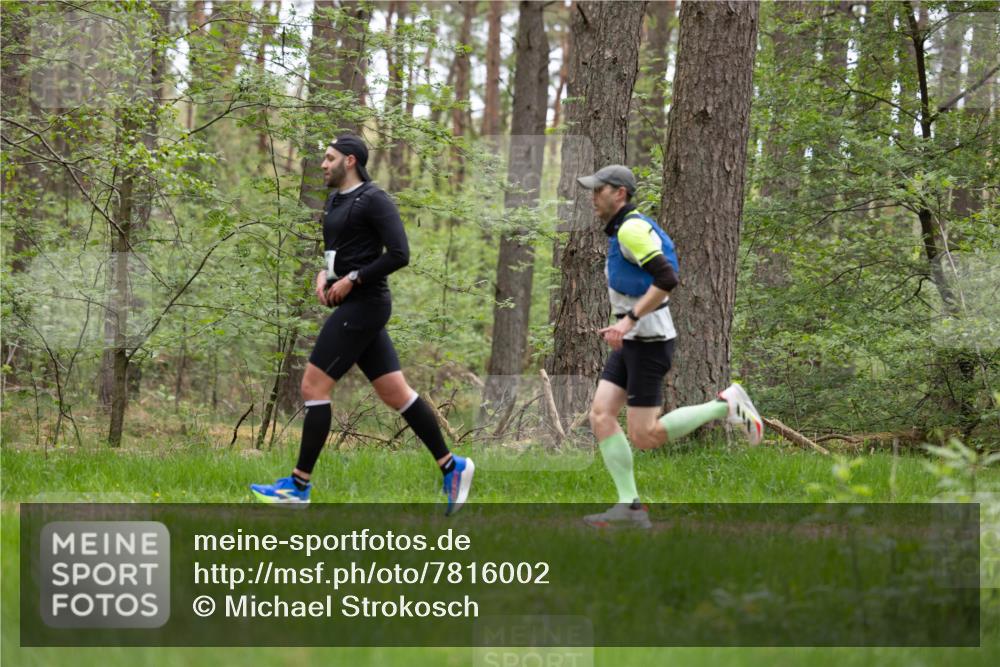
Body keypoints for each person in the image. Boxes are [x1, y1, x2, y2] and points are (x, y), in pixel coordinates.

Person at [251, 134, 474, 514]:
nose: (322, 164)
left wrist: (353, 279)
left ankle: (298, 487)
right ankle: (453, 467)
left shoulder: (374, 198)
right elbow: (338, 254)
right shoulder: (335, 200)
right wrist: (324, 277)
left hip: (367, 304)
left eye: (329, 157)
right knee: (395, 393)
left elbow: (400, 254)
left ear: (350, 161)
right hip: (354, 304)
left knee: (312, 386)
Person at [576, 165, 763, 528]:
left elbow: (667, 277)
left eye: (598, 190)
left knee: (645, 436)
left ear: (620, 193)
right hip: (632, 341)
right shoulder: (622, 231)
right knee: (601, 415)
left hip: (650, 342)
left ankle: (724, 406)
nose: (592, 197)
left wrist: (628, 319)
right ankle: (629, 508)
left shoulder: (631, 229)